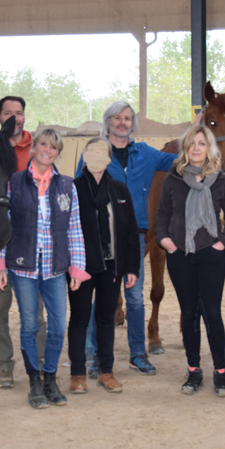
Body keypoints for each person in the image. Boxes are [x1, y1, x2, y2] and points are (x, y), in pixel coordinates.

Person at [0, 128, 89, 409]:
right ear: (33, 148)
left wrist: (77, 267)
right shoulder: (15, 182)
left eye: (54, 147)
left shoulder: (67, 186)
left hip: (56, 269)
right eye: (43, 144)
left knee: (58, 325)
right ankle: (34, 380)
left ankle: (50, 378)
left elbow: (74, 229)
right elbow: (3, 223)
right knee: (30, 324)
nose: (48, 150)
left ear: (58, 153)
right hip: (23, 268)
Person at [75, 101, 177, 377]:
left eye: (127, 118)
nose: (123, 122)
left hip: (135, 238)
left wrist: (198, 130)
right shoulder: (94, 152)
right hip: (100, 238)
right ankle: (97, 354)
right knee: (103, 298)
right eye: (117, 118)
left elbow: (179, 159)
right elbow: (78, 193)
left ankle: (137, 353)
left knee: (134, 298)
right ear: (108, 122)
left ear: (133, 124)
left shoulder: (146, 153)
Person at [156, 125, 225, 396]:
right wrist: (164, 240)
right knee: (189, 314)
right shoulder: (173, 179)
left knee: (213, 314)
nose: (196, 148)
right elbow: (161, 214)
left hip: (210, 255)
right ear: (185, 148)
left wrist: (222, 243)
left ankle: (220, 373)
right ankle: (194, 371)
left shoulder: (221, 180)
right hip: (180, 256)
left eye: (201, 143)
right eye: (191, 143)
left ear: (209, 148)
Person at [0, 96, 47, 390]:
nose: (15, 118)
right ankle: (4, 365)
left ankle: (43, 362)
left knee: (36, 312)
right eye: (8, 113)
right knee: (0, 310)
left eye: (19, 113)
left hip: (34, 246)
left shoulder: (39, 149)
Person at [68, 138, 140, 394]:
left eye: (103, 153)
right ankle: (77, 373)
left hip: (111, 266)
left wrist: (131, 268)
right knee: (79, 319)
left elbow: (131, 231)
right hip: (82, 268)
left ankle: (106, 371)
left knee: (106, 319)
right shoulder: (73, 189)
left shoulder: (120, 190)